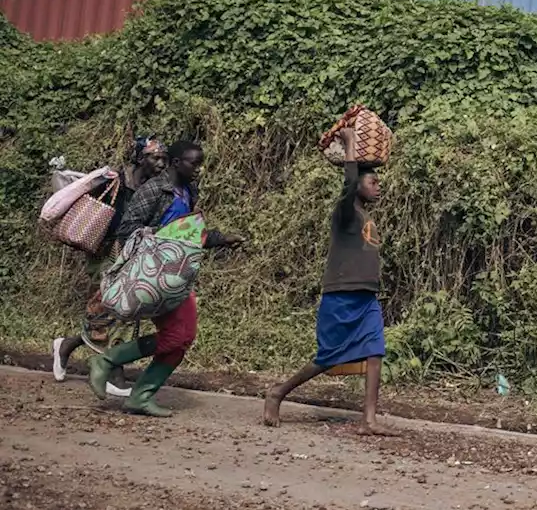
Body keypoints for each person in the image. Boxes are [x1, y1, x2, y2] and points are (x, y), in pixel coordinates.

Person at [85, 140, 241, 417]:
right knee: (180, 335)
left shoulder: (188, 190)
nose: (198, 169)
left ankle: (138, 394)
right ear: (176, 162)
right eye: (193, 163)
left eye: (200, 163)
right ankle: (109, 362)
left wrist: (219, 239)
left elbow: (187, 234)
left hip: (177, 275)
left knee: (181, 337)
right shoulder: (155, 189)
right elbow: (127, 230)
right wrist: (163, 235)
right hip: (154, 273)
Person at [262, 128, 395, 436]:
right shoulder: (345, 211)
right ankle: (278, 392)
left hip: (366, 297)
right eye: (372, 182)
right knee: (328, 357)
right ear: (358, 185)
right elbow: (348, 184)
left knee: (375, 351)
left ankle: (369, 420)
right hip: (341, 295)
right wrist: (350, 145)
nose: (378, 187)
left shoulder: (364, 216)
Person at [52, 136, 168, 397]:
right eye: (155, 158)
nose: (161, 163)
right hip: (104, 251)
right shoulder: (116, 179)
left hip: (130, 253)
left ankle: (67, 347)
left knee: (121, 310)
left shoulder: (153, 189)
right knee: (105, 308)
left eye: (163, 158)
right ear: (140, 158)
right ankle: (113, 373)